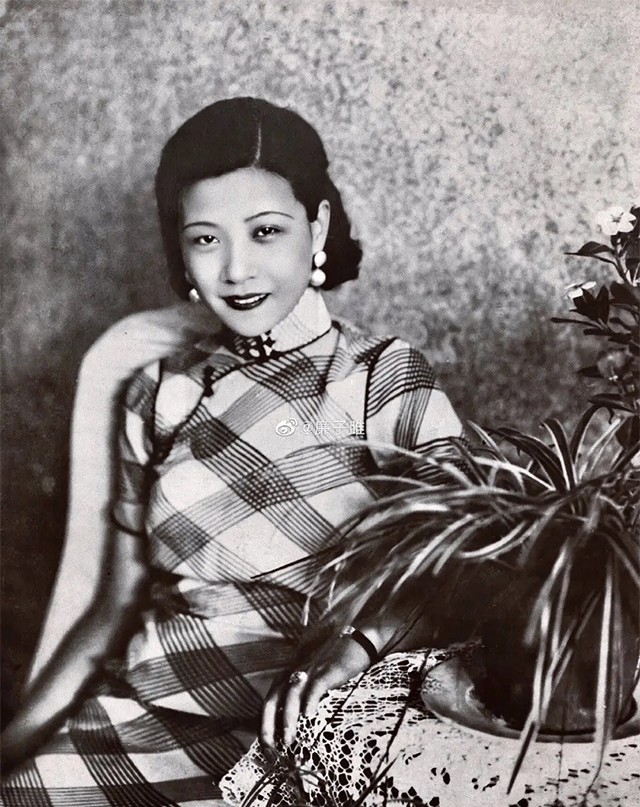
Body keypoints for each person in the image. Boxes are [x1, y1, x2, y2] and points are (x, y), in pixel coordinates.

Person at [1, 97, 464, 803]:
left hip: (309, 730)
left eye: (265, 231)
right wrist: (14, 748)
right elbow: (110, 610)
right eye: (206, 239)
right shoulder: (159, 392)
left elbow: (455, 566)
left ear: (318, 227)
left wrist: (352, 649)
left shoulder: (384, 377)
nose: (237, 269)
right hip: (141, 716)